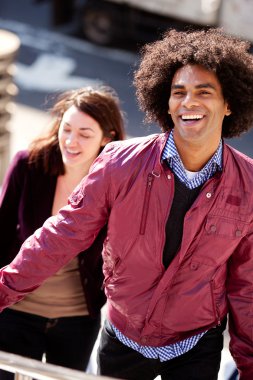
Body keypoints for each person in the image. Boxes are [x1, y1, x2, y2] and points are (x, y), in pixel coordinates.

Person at [0, 28, 253, 380]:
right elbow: (62, 234)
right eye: (178, 92)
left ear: (229, 104)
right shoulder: (119, 163)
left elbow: (247, 287)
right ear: (165, 102)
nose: (188, 102)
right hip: (123, 338)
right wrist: (2, 289)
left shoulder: (249, 185)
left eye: (203, 92)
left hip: (197, 345)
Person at [0, 85, 125, 378]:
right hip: (17, 311)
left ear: (107, 139)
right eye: (66, 129)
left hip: (78, 320)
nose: (71, 141)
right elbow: (2, 233)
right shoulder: (29, 165)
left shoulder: (117, 183)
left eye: (85, 134)